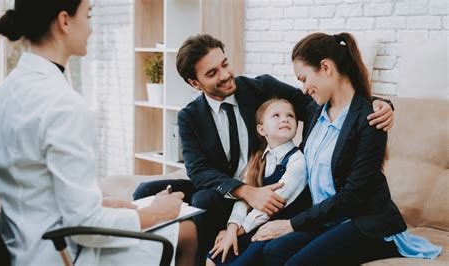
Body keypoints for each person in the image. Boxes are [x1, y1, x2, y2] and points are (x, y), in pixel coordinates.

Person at [132, 34, 395, 265]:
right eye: (211, 73)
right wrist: (246, 191)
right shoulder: (190, 117)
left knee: (203, 200)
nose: (224, 75)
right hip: (233, 188)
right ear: (194, 83)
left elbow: (319, 99)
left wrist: (379, 104)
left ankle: (208, 259)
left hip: (268, 183)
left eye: (224, 64)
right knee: (146, 191)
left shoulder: (260, 88)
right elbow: (198, 171)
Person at [0, 0, 196, 265]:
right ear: (64, 21)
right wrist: (155, 213)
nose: (91, 29)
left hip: (19, 243)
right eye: (87, 15)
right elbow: (87, 225)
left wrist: (103, 202)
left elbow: (32, 183)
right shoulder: (63, 104)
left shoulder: (6, 91)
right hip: (61, 251)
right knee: (186, 232)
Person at [248, 32, 443, 265]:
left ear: (326, 67)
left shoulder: (370, 118)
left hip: (366, 222)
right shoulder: (314, 109)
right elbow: (263, 83)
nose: (302, 89)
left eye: (303, 79)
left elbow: (353, 196)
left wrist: (291, 224)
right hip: (329, 219)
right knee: (274, 251)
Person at [207, 98, 308, 266]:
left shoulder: (297, 161)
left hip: (275, 228)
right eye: (276, 115)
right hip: (251, 224)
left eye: (290, 116)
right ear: (262, 129)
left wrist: (239, 231)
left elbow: (271, 206)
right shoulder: (258, 158)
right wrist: (231, 228)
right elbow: (244, 200)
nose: (285, 119)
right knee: (214, 256)